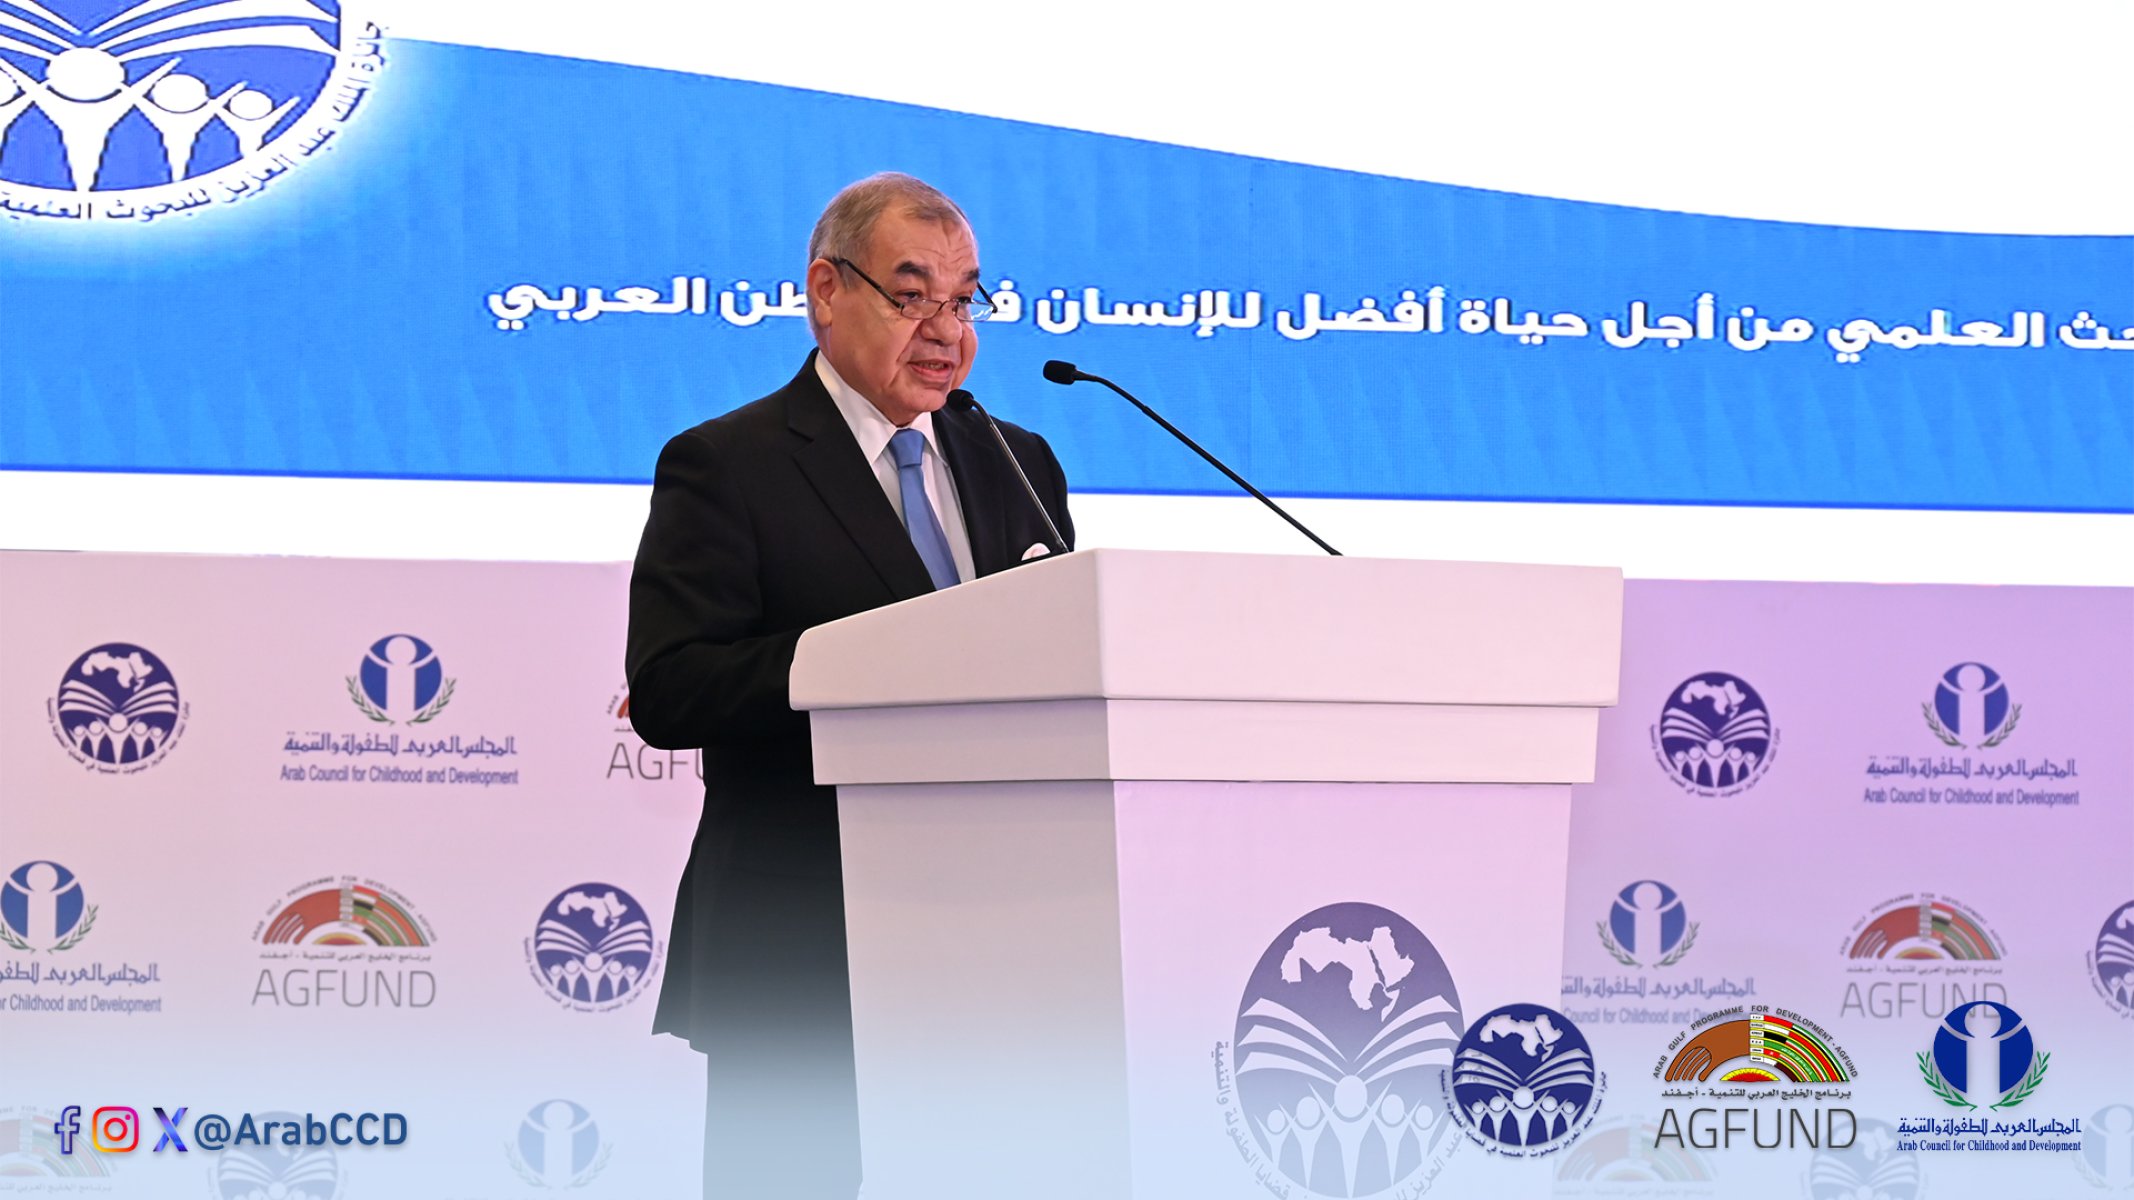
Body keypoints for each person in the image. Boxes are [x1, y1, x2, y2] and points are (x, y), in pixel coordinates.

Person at [625, 172, 1074, 1199]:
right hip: (800, 940)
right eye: (912, 296)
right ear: (826, 291)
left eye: (963, 301)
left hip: (1005, 938)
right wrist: (869, 661)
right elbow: (671, 688)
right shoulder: (726, 464)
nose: (946, 332)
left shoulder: (1017, 460)